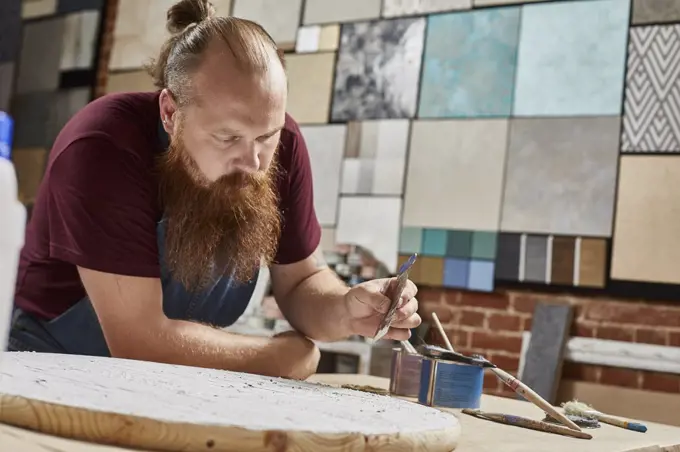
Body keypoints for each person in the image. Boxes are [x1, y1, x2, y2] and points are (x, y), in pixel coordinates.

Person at [9, 0, 420, 380]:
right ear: (170, 113)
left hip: (182, 379)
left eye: (267, 136)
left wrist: (348, 308)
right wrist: (275, 359)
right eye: (228, 138)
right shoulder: (103, 145)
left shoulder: (282, 145)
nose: (255, 162)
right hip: (54, 367)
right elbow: (138, 339)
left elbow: (300, 282)